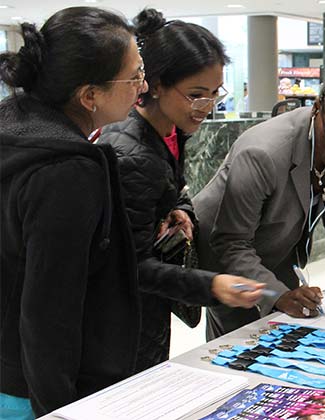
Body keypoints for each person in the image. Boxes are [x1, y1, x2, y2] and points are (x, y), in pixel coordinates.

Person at [98, 8, 265, 372]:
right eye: (195, 94)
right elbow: (132, 267)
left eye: (214, 94)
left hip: (146, 311)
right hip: (123, 322)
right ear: (155, 85)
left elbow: (176, 190)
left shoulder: (171, 130)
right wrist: (212, 286)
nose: (206, 107)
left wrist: (181, 210)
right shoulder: (132, 154)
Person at [0, 7, 147, 418]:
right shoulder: (67, 171)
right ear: (89, 95)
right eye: (134, 75)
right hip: (31, 392)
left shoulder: (14, 129)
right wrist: (59, 411)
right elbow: (49, 312)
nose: (144, 84)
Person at [193, 62, 325, 340]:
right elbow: (230, 243)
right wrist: (278, 294)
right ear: (317, 108)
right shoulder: (262, 153)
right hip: (228, 263)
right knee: (239, 352)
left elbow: (304, 200)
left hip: (274, 255)